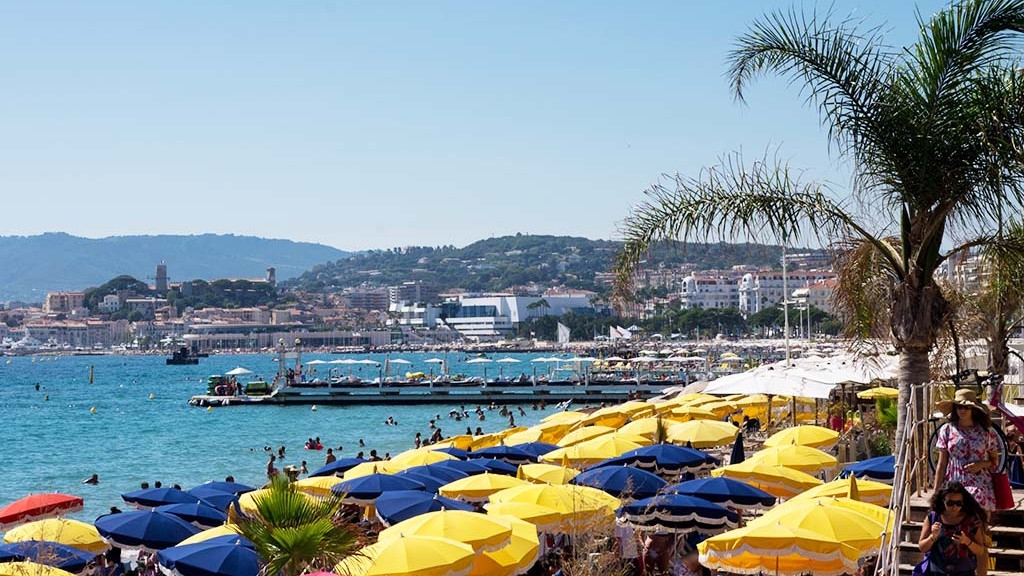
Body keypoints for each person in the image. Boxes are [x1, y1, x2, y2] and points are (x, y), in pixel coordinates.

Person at [934, 389, 1000, 510]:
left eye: (967, 407)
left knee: (978, 504)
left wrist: (980, 464)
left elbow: (994, 461)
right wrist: (936, 492)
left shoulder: (985, 432)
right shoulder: (947, 430)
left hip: (979, 481)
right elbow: (942, 464)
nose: (962, 410)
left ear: (973, 409)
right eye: (959, 407)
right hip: (954, 481)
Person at [917, 482, 988, 576]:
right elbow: (922, 548)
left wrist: (966, 541)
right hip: (936, 572)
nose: (954, 507)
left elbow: (980, 551)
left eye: (959, 503)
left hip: (964, 573)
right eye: (950, 503)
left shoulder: (971, 520)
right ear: (943, 500)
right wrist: (932, 537)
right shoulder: (933, 517)